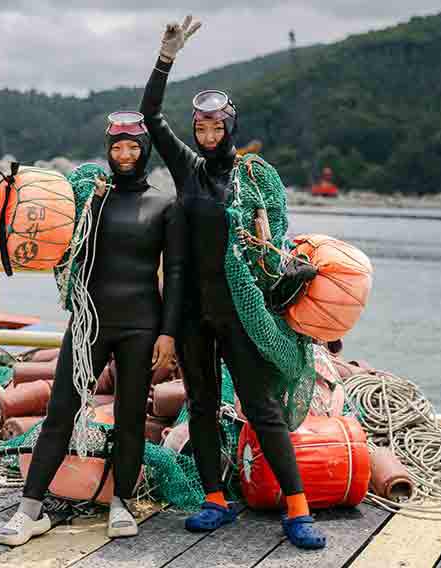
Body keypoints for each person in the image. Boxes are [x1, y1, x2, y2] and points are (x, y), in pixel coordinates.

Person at [139, 16, 327, 550]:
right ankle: (215, 500)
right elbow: (151, 115)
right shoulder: (189, 171)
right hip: (196, 313)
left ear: (231, 129)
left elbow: (273, 261)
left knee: (261, 408)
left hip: (241, 314)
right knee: (200, 404)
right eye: (200, 128)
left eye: (216, 128)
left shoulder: (248, 183)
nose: (207, 135)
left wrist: (267, 239)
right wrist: (166, 57)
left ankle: (297, 508)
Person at [0, 111, 185, 546]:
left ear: (145, 150)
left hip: (142, 325)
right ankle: (30, 510)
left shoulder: (163, 205)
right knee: (61, 411)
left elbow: (174, 273)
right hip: (89, 322)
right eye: (116, 148)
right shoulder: (90, 201)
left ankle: (122, 502)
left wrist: (168, 334)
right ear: (107, 150)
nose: (123, 155)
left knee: (131, 415)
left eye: (132, 147)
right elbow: (49, 233)